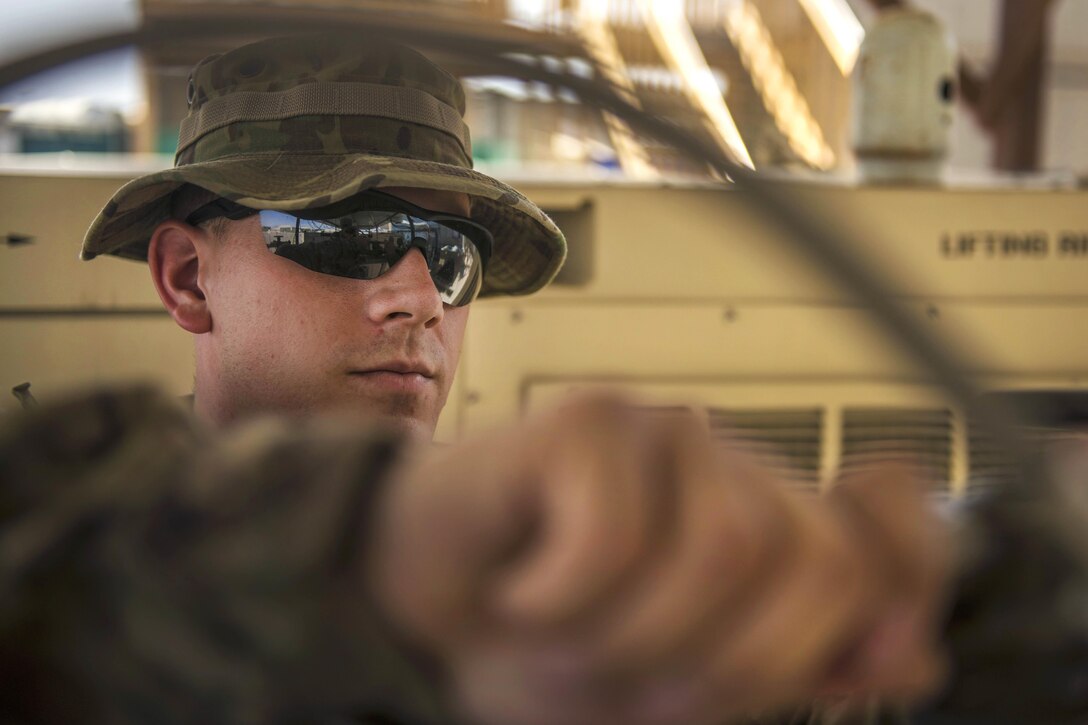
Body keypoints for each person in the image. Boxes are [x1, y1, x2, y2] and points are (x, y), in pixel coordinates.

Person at [0, 33, 950, 725]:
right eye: (351, 235)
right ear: (188, 276)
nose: (416, 295)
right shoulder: (67, 560)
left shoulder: (561, 561)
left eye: (450, 256)